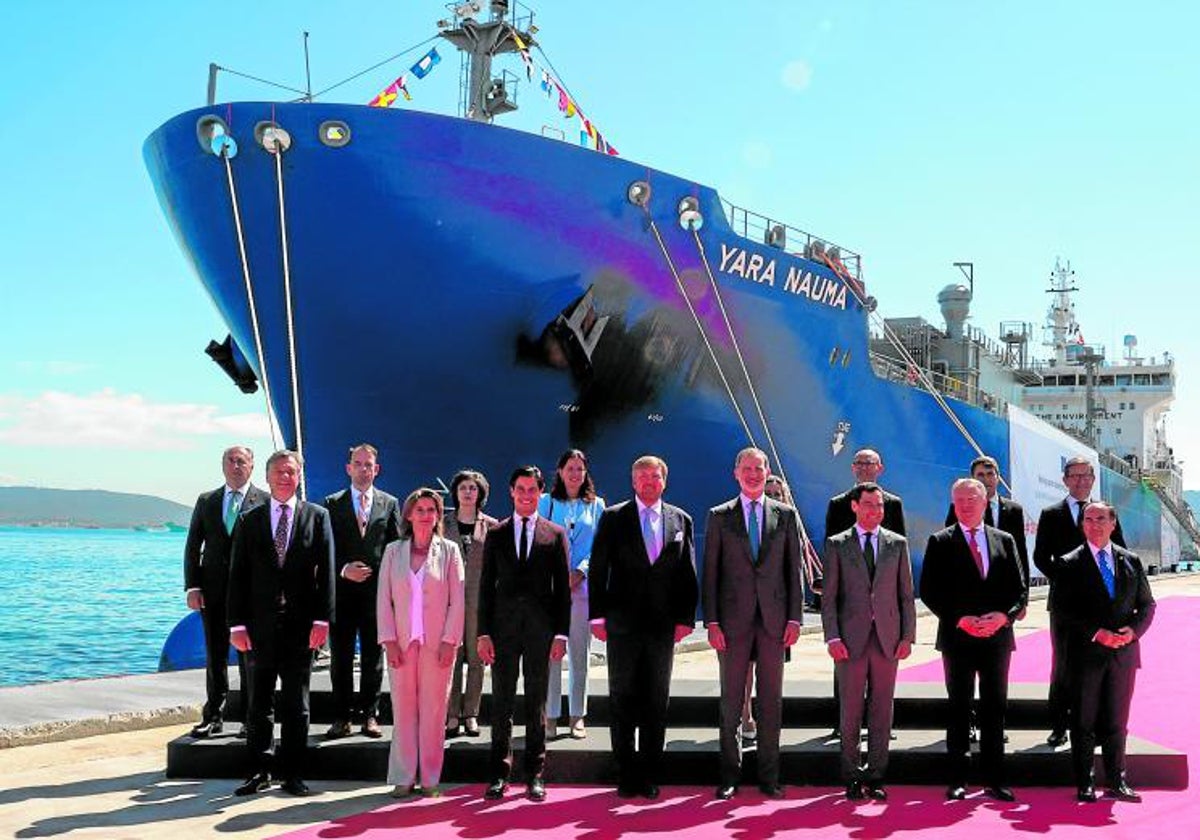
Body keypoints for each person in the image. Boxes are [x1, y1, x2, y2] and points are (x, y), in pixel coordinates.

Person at [589, 454, 698, 800]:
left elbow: (687, 573)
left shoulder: (681, 520)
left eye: (655, 477)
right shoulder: (613, 517)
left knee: (656, 700)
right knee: (622, 699)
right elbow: (598, 569)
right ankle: (625, 772)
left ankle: (650, 772)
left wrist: (685, 617)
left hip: (662, 626)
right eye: (643, 477)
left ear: (664, 481)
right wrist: (597, 616)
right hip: (622, 624)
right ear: (633, 482)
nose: (649, 482)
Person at [228, 450, 335, 797]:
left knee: (297, 704)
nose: (284, 477)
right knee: (258, 702)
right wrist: (236, 625)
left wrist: (323, 621)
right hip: (259, 628)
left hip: (302, 627)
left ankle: (292, 773)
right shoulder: (250, 519)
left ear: (299, 476)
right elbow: (238, 576)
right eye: (278, 472)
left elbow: (327, 575)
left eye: (290, 472)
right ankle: (259, 770)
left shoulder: (317, 517)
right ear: (268, 476)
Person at [703, 447, 803, 800]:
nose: (753, 474)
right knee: (731, 701)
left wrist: (795, 617)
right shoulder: (719, 516)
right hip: (732, 623)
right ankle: (730, 776)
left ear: (767, 471)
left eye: (759, 468)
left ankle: (769, 776)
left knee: (771, 702)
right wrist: (711, 622)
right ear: (736, 473)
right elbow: (711, 574)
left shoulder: (786, 515)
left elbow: (795, 570)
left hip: (775, 623)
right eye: (747, 468)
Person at [919, 478, 1025, 802]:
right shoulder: (940, 541)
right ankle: (958, 779)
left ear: (984, 502)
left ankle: (995, 779)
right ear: (953, 503)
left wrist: (1004, 616)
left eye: (972, 499)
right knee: (959, 708)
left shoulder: (1004, 540)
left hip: (997, 639)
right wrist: (959, 619)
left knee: (995, 708)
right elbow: (929, 590)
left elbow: (1020, 590)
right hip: (957, 637)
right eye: (959, 500)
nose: (965, 505)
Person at [477, 466, 571, 802]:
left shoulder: (555, 534)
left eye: (533, 490)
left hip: (540, 632)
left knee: (536, 704)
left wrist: (561, 635)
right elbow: (485, 588)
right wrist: (483, 633)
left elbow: (563, 592)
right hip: (502, 632)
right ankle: (499, 776)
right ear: (511, 492)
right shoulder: (497, 533)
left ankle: (535, 775)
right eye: (521, 489)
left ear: (541, 493)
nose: (527, 495)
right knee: (501, 704)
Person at [822, 482, 916, 801]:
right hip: (849, 640)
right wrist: (832, 636)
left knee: (881, 711)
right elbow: (829, 598)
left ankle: (876, 775)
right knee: (850, 711)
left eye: (879, 506)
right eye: (868, 505)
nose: (875, 511)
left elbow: (906, 596)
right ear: (854, 506)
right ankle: (850, 775)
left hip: (888, 640)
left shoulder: (897, 544)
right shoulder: (837, 544)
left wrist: (907, 636)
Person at [1056, 501, 1155, 803]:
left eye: (1101, 518)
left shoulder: (1131, 560)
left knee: (1117, 720)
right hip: (1086, 655)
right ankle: (1085, 783)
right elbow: (1063, 611)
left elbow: (1147, 604)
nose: (1094, 524)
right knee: (1083, 721)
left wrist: (1133, 631)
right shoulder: (1069, 562)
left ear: (1113, 523)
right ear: (1082, 524)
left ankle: (1117, 780)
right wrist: (1098, 634)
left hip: (1123, 655)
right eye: (1088, 519)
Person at [377, 487, 465, 798]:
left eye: (432, 510)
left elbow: (458, 601)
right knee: (403, 710)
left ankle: (429, 778)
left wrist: (450, 640)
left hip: (437, 646)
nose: (426, 515)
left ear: (439, 515)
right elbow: (383, 601)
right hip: (401, 644)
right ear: (409, 514)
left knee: (434, 711)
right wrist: (388, 641)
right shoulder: (392, 552)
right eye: (420, 509)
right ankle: (403, 776)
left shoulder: (451, 551)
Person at [1033, 456, 1126, 747]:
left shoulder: (1105, 513)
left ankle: (1097, 725)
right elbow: (1040, 556)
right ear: (1065, 480)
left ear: (1093, 479)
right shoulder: (1051, 514)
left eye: (1086, 475)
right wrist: (1063, 580)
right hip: (1064, 605)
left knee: (1097, 665)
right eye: (1074, 476)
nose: (1080, 481)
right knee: (1062, 665)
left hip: (1101, 606)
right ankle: (1059, 725)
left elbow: (1120, 551)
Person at [183, 445, 268, 739]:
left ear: (252, 466)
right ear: (222, 466)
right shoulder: (207, 501)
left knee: (250, 656)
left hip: (250, 594)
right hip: (214, 591)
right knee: (215, 653)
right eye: (230, 461)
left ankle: (250, 716)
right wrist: (193, 586)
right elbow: (193, 546)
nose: (235, 466)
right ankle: (213, 714)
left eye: (241, 461)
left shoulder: (265, 501)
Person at [824, 448, 906, 737]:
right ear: (852, 468)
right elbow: (830, 546)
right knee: (845, 666)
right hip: (850, 599)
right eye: (859, 463)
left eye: (869, 463)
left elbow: (899, 551)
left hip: (882, 598)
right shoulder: (838, 504)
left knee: (882, 668)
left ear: (880, 468)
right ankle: (842, 723)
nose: (864, 467)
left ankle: (879, 725)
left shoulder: (893, 505)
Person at [322, 444, 401, 740]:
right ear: (348, 468)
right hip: (341, 595)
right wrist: (344, 570)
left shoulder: (390, 503)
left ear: (376, 469)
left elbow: (396, 550)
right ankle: (341, 717)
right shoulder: (331, 504)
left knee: (373, 657)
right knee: (340, 657)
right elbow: (323, 550)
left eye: (369, 465)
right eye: (358, 464)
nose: (364, 469)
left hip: (376, 597)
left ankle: (370, 715)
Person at [539, 449, 606, 740]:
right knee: (551, 653)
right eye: (570, 468)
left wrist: (580, 570)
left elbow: (601, 546)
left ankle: (578, 715)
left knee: (580, 653)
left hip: (582, 588)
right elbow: (538, 538)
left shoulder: (597, 505)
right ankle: (550, 714)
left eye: (580, 468)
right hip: (551, 589)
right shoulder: (546, 502)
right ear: (560, 471)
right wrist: (557, 574)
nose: (575, 473)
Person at [442, 469, 497, 739]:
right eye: (463, 487)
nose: (467, 492)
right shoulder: (442, 523)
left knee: (477, 659)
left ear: (480, 494)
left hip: (480, 602)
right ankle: (452, 714)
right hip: (448, 602)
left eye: (473, 488)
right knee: (452, 657)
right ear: (455, 491)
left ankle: (471, 714)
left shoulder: (492, 525)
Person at [945, 455, 1030, 610]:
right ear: (973, 478)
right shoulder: (957, 509)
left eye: (990, 474)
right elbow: (949, 550)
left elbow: (1021, 554)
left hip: (1003, 593)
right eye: (980, 475)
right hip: (967, 592)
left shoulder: (1014, 510)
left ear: (998, 478)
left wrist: (1023, 600)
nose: (986, 479)